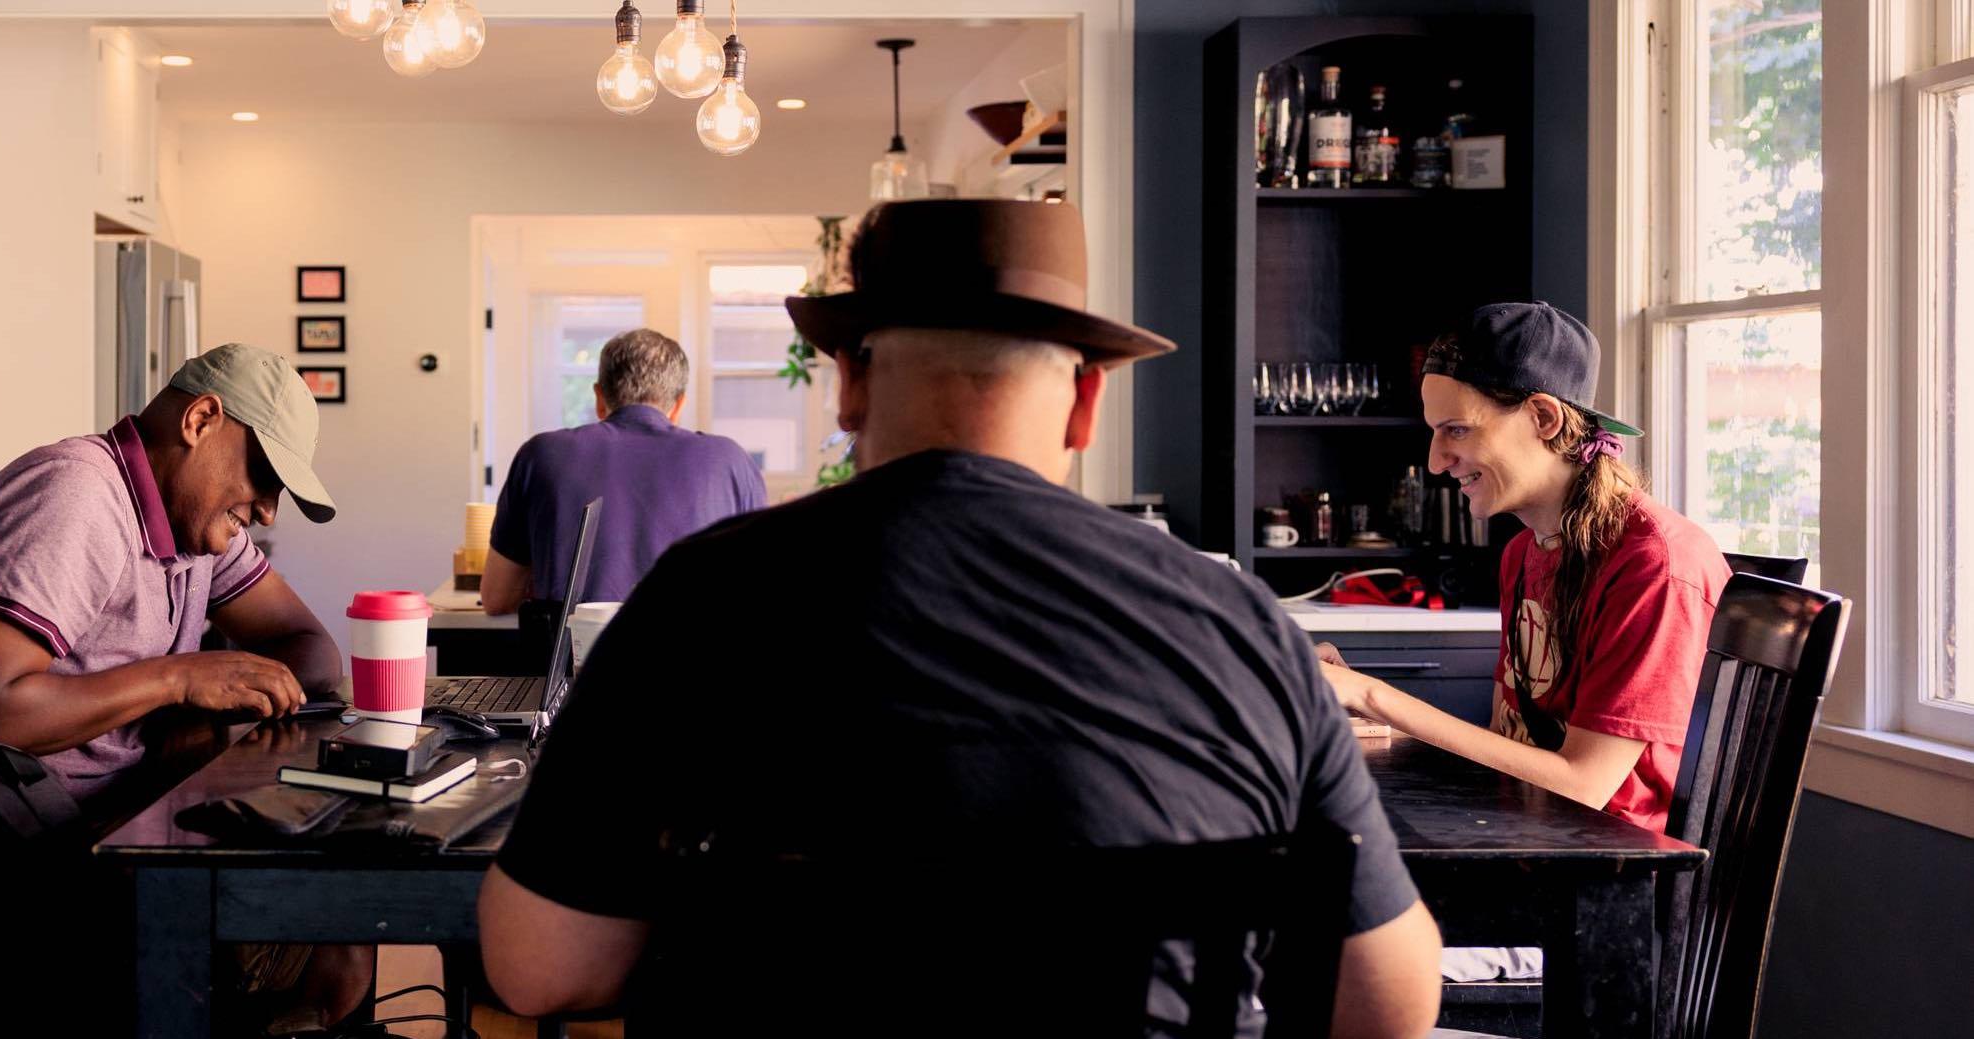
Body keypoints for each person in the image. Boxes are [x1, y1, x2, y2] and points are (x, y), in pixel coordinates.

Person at [476, 200, 1443, 1037]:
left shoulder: (700, 597)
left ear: (850, 383)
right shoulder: (1241, 623)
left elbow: (541, 967)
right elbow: (1389, 1004)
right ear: (1086, 406)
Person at [0, 342, 368, 1031]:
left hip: (97, 832)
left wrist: (195, 714)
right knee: (325, 922)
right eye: (265, 473)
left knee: (336, 916)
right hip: (14, 869)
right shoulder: (77, 497)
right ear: (201, 420)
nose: (271, 510)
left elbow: (308, 646)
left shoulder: (188, 530)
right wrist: (176, 680)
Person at [1314, 302, 1730, 983]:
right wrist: (1369, 712)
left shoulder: (1657, 560)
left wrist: (1374, 693)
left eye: (1456, 430)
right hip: (1520, 866)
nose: (1435, 459)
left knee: (1317, 954)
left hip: (1587, 915)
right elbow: (1523, 745)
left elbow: (1585, 784)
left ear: (1543, 418)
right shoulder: (1524, 553)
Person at [479, 328, 766, 615]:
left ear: (599, 398)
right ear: (679, 405)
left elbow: (497, 598)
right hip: (693, 659)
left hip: (579, 659)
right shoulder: (732, 462)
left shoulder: (540, 455)